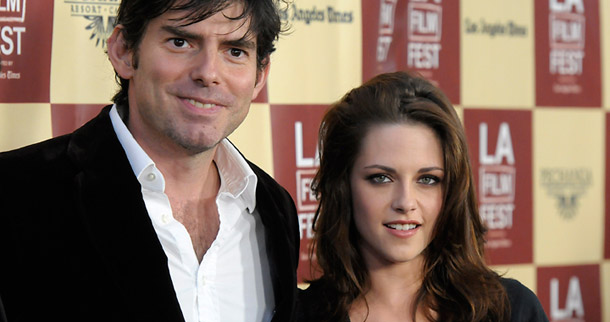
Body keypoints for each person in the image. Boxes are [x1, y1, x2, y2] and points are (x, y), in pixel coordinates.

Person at [0, 0, 299, 321]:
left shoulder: (274, 207)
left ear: (259, 76)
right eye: (181, 42)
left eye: (235, 51)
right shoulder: (14, 193)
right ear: (124, 51)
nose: (208, 73)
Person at [297, 71, 549, 322]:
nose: (405, 202)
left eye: (427, 179)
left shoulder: (510, 310)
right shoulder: (301, 315)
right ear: (343, 185)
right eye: (381, 178)